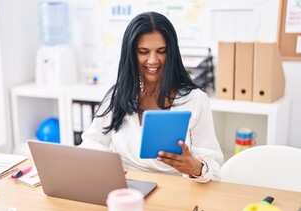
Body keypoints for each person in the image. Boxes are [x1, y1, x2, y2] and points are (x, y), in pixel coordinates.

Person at [79, 11, 223, 182]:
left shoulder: (195, 100)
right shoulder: (119, 94)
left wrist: (195, 167)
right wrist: (109, 165)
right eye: (143, 51)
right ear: (131, 54)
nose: (153, 60)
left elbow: (214, 169)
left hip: (175, 192)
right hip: (126, 189)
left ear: (172, 53)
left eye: (161, 51)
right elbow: (91, 142)